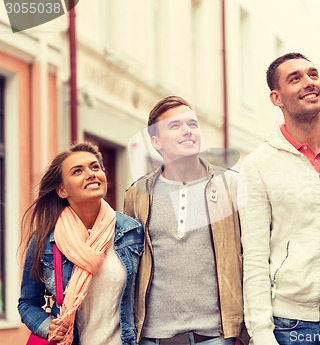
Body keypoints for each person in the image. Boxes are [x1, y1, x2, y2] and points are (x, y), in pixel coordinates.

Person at [237, 52, 320, 345]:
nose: (309, 83)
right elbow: (256, 255)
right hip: (289, 327)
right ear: (277, 98)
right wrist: (261, 332)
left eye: (313, 74)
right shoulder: (258, 164)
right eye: (295, 78)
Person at [123, 96, 246, 345]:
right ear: (156, 142)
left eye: (192, 124)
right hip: (152, 337)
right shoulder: (137, 194)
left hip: (216, 336)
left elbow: (255, 255)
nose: (188, 131)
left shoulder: (231, 185)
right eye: (175, 125)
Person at [18, 141, 144, 345]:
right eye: (78, 171)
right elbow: (28, 302)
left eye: (95, 167)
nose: (91, 173)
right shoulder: (46, 240)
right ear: (62, 190)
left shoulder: (131, 231)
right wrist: (46, 326)